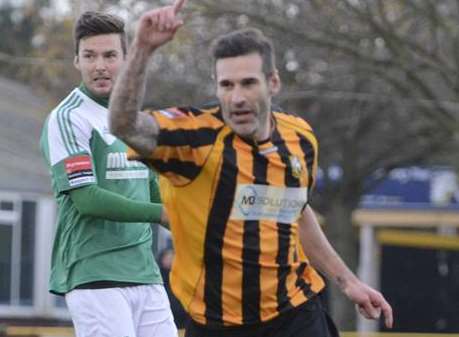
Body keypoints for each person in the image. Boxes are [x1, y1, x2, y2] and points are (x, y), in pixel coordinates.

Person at [108, 1, 394, 336]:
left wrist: (349, 282)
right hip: (218, 323)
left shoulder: (300, 138)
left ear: (273, 83)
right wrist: (142, 48)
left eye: (248, 83)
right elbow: (124, 124)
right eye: (226, 86)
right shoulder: (194, 139)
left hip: (295, 315)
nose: (237, 98)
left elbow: (296, 211)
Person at [39, 11, 178, 337]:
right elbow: (87, 199)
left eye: (110, 55)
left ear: (126, 59)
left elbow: (152, 184)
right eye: (90, 55)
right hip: (94, 273)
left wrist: (186, 226)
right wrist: (163, 214)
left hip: (145, 273)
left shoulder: (134, 119)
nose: (99, 65)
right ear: (77, 60)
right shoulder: (67, 117)